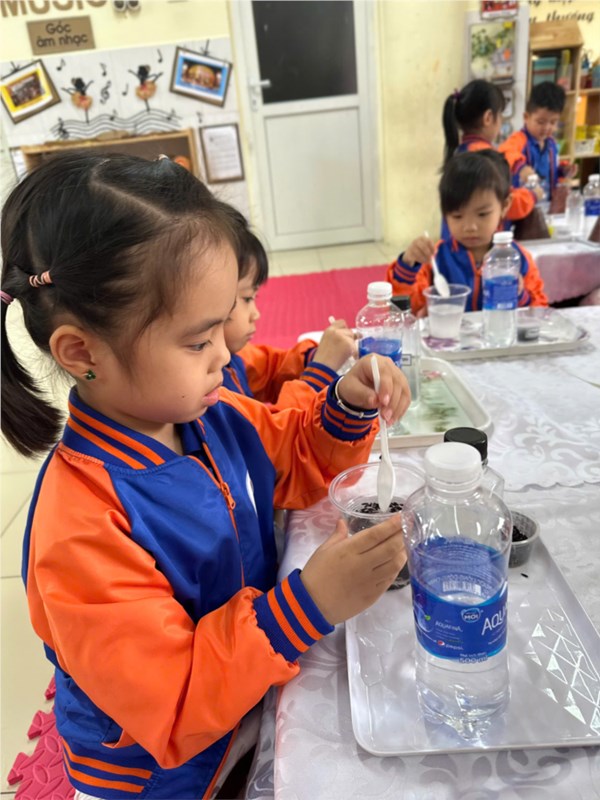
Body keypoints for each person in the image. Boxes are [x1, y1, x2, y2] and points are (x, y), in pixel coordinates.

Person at [0, 152, 411, 800]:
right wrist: (308, 604)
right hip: (156, 774)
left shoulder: (211, 413)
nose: (225, 354)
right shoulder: (79, 528)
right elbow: (173, 700)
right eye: (198, 341)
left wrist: (347, 404)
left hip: (241, 697)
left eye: (224, 325)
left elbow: (295, 455)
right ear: (82, 352)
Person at [387, 150, 548, 314]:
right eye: (457, 216)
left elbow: (539, 311)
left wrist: (519, 295)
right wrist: (407, 266)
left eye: (482, 214)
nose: (470, 227)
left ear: (505, 206)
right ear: (445, 214)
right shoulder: (436, 258)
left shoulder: (517, 258)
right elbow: (402, 309)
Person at [223, 219, 357, 408]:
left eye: (254, 297)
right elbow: (277, 427)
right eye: (247, 298)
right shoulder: (209, 394)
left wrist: (315, 357)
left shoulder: (233, 356)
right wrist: (320, 371)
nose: (256, 314)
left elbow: (272, 369)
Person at [442, 79, 539, 231]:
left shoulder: (460, 152)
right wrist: (532, 195)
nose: (501, 122)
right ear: (488, 118)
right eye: (500, 115)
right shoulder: (486, 160)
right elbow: (504, 204)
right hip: (480, 241)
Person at [499, 81, 576, 200]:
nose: (547, 127)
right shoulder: (519, 139)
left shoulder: (551, 145)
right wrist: (521, 168)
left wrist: (563, 170)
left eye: (553, 122)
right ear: (526, 117)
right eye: (541, 122)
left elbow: (551, 171)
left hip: (547, 203)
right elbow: (505, 152)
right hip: (524, 205)